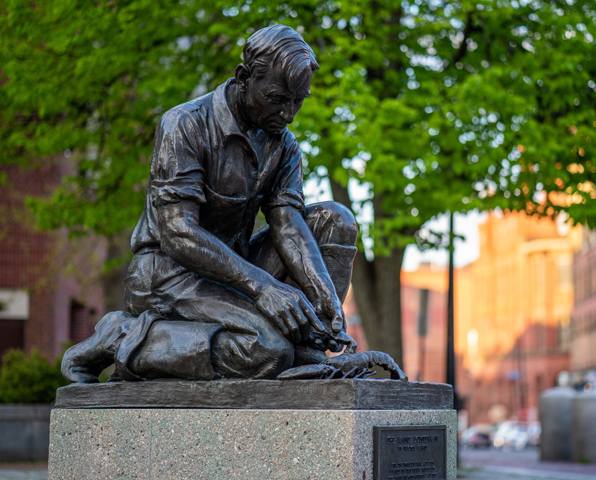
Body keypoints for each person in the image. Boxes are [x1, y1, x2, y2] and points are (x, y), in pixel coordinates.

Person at [62, 24, 404, 383]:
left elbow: (287, 224)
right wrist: (263, 287)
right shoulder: (184, 124)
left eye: (297, 100)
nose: (288, 113)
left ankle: (308, 350)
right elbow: (178, 232)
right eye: (277, 98)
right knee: (265, 350)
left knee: (336, 219)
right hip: (168, 275)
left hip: (233, 273)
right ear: (244, 78)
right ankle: (122, 337)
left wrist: (326, 301)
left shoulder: (282, 143)